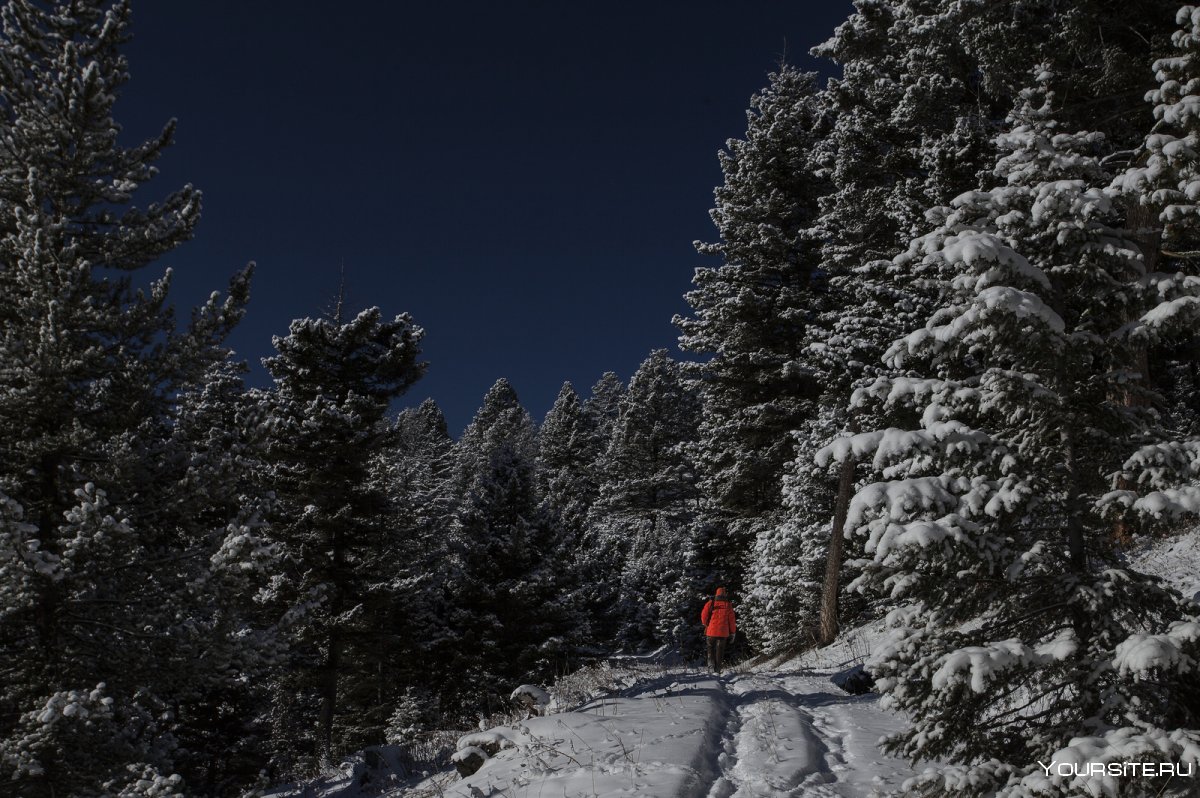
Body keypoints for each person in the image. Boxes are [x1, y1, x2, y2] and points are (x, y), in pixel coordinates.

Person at [700, 587, 737, 673]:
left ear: (716, 594)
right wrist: (733, 633)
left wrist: (706, 624)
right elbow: (732, 621)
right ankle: (717, 670)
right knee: (719, 651)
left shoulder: (710, 603)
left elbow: (704, 616)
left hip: (711, 632)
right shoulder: (728, 605)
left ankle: (711, 667)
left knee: (710, 648)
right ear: (725, 595)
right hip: (723, 634)